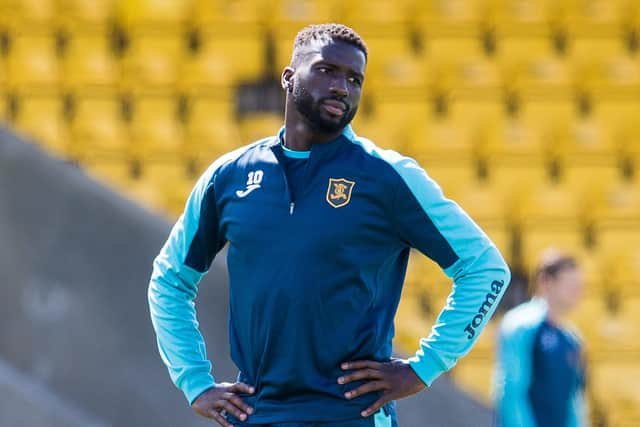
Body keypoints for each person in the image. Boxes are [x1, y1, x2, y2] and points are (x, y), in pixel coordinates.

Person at [148, 23, 510, 427]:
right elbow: (169, 280)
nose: (342, 86)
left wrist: (423, 368)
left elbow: (485, 269)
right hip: (257, 414)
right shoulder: (229, 176)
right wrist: (195, 381)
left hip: (351, 415)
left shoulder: (387, 177)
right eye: (327, 70)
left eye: (354, 79)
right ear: (288, 78)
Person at [493, 249, 588, 427]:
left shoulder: (572, 338)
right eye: (570, 284)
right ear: (546, 282)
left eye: (579, 285)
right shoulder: (520, 325)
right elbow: (511, 391)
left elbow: (573, 402)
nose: (577, 291)